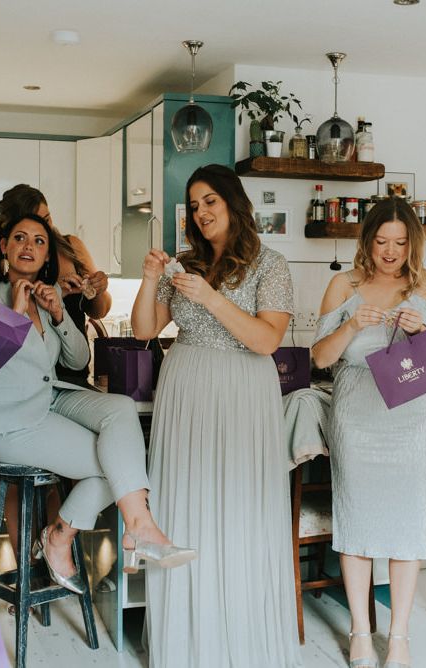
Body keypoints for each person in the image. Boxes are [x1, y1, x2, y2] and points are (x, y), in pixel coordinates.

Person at [0, 213, 195, 594]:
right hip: (5, 422)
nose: (29, 247)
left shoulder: (47, 291)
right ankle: (73, 535)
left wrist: (57, 314)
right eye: (19, 238)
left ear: (46, 252)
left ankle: (131, 527)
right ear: (3, 246)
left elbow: (74, 361)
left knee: (120, 409)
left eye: (39, 241)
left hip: (47, 400)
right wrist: (14, 316)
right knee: (115, 464)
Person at [131, 164, 302, 668]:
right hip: (186, 390)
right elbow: (144, 329)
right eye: (195, 204)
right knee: (187, 500)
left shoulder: (270, 265)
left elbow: (266, 340)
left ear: (233, 202)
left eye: (211, 201)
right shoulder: (183, 264)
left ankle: (241, 639)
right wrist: (148, 280)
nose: (202, 212)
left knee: (240, 507)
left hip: (244, 393)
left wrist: (210, 295)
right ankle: (187, 639)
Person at [312, 198, 426, 668]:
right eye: (381, 241)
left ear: (412, 243)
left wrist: (425, 333)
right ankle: (360, 631)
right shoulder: (344, 286)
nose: (390, 251)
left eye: (400, 242)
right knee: (355, 523)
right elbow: (319, 357)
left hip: (413, 424)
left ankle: (398, 636)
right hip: (357, 422)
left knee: (406, 526)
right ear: (367, 241)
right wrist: (353, 321)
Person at [0, 183, 111, 385]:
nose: (45, 228)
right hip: (27, 376)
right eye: (36, 221)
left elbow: (100, 311)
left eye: (47, 218)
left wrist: (98, 289)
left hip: (74, 365)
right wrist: (57, 291)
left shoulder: (72, 246)